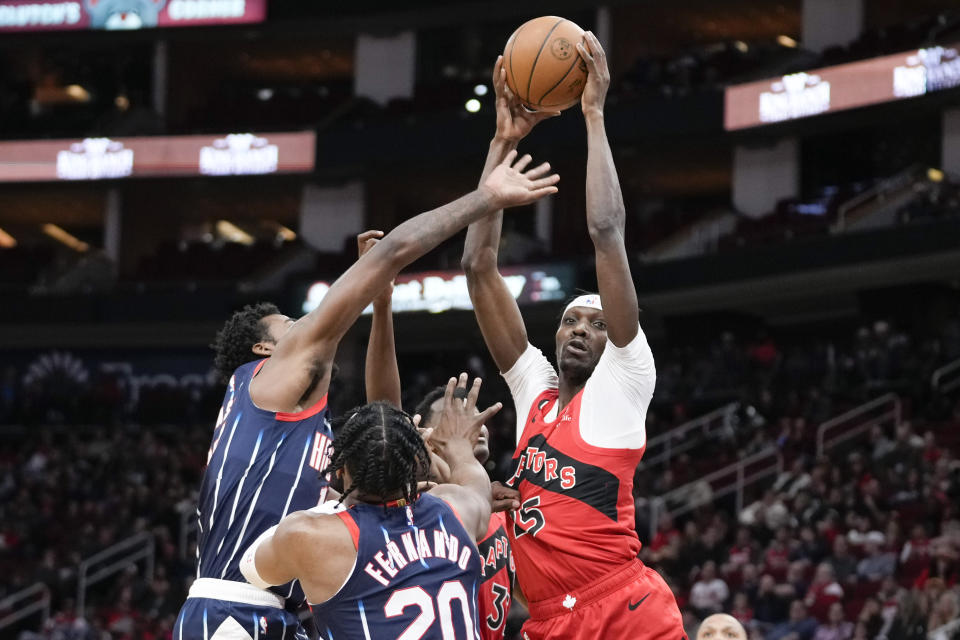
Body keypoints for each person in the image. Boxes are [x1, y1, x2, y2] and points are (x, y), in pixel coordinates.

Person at [174, 150, 560, 639]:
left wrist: (381, 304)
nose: (310, 326)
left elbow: (378, 443)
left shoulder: (286, 430)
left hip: (276, 609)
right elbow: (394, 249)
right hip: (237, 609)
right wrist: (486, 198)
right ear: (265, 348)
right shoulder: (271, 380)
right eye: (293, 324)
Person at [461, 34, 683, 639]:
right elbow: (479, 268)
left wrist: (592, 114)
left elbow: (606, 231)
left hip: (622, 608)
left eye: (597, 324)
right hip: (547, 623)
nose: (581, 330)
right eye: (571, 321)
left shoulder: (625, 378)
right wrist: (502, 145)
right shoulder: (534, 386)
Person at [239, 375, 500, 639]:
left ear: (339, 469)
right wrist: (452, 445)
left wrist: (329, 505)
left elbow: (252, 569)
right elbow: (471, 471)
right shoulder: (459, 507)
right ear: (416, 464)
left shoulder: (310, 535)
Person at [414, 385, 518, 640]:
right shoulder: (419, 510)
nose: (475, 424)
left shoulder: (500, 508)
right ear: (428, 439)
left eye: (476, 415)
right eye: (456, 419)